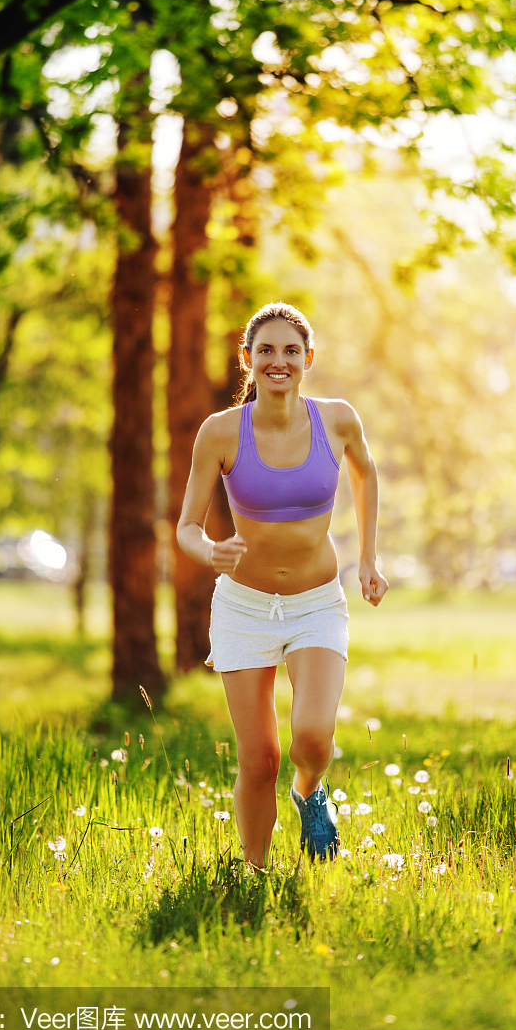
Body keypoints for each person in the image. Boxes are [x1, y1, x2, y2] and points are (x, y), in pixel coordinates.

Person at [176, 302, 388, 867]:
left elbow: (367, 474)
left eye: (290, 350)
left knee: (312, 736)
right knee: (259, 757)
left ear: (308, 359)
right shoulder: (220, 433)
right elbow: (186, 528)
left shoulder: (337, 420)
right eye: (265, 350)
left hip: (317, 602)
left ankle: (308, 791)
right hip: (244, 607)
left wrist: (368, 558)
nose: (278, 361)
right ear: (248, 360)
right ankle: (257, 873)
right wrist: (211, 552)